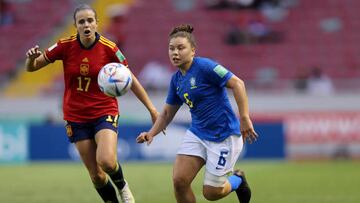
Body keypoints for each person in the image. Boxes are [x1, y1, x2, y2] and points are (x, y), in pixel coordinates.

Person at [25, 4, 160, 203]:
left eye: (90, 20)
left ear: (97, 23)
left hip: (103, 111)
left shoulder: (109, 48)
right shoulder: (64, 45)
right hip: (75, 116)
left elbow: (130, 79)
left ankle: (123, 187)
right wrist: (30, 60)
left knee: (106, 161)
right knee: (96, 175)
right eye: (81, 21)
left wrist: (152, 109)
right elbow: (33, 67)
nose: (86, 24)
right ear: (75, 25)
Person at [136, 24, 258, 203]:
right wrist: (151, 133)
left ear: (193, 51)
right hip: (198, 134)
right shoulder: (176, 79)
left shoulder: (206, 67)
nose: (175, 53)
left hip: (224, 136)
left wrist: (245, 118)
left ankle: (237, 180)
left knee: (211, 193)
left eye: (180, 48)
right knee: (179, 181)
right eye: (171, 49)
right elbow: (168, 112)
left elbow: (238, 84)